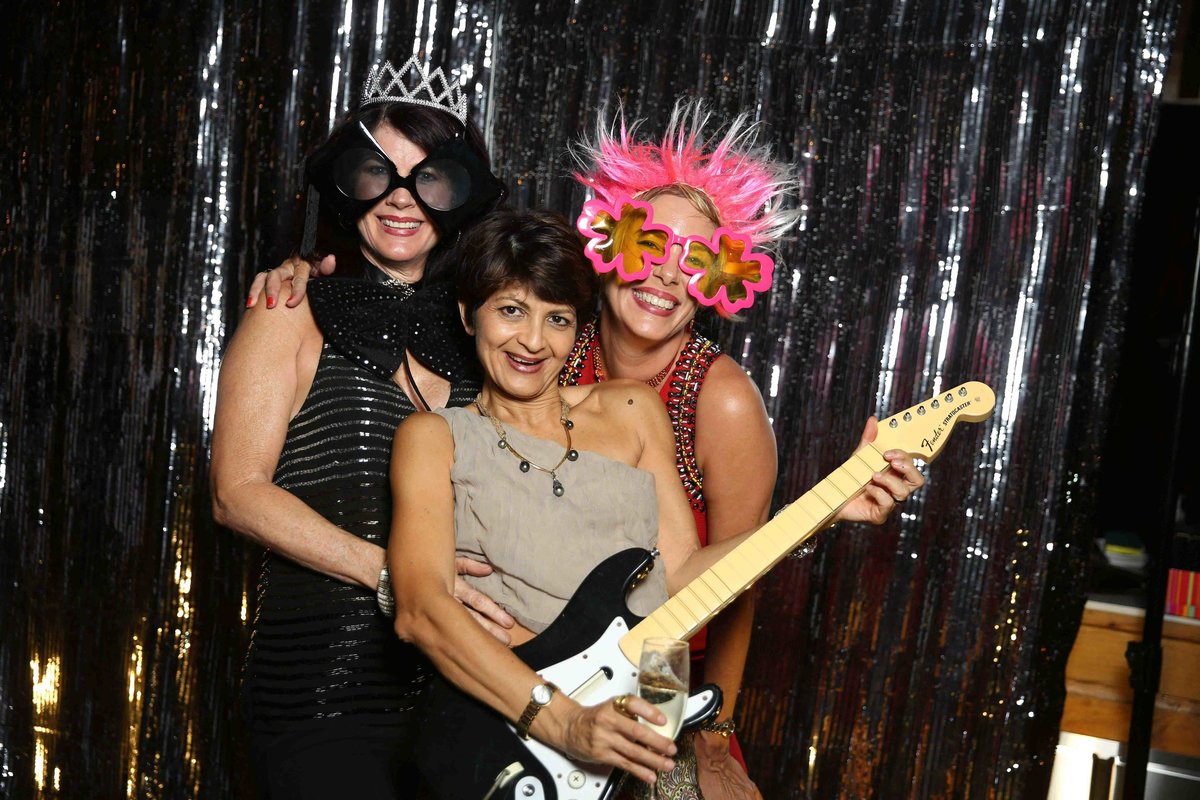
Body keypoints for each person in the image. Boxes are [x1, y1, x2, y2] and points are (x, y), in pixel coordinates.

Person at [385, 209, 926, 799]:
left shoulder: (633, 409)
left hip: (649, 722)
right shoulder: (434, 436)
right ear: (468, 315)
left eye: (557, 318)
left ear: (576, 325)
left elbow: (682, 580)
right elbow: (421, 611)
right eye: (511, 311)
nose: (534, 341)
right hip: (516, 733)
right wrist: (568, 724)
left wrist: (830, 507)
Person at [210, 57, 512, 799]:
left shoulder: (488, 333)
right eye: (380, 174)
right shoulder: (291, 307)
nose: (402, 199)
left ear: (460, 193)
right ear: (349, 183)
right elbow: (236, 493)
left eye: (429, 177)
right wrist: (391, 575)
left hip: (464, 688)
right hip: (325, 677)